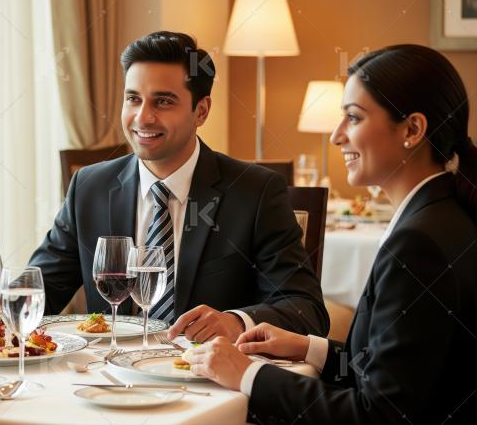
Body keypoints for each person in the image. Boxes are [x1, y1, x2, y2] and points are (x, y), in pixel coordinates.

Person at [0, 31, 330, 342]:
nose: (142, 117)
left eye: (163, 101)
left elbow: (306, 308)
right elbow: (44, 288)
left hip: (208, 387)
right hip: (103, 383)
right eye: (133, 99)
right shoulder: (89, 187)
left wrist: (236, 320)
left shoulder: (256, 192)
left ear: (201, 110)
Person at [188, 44, 477, 424]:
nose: (336, 136)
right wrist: (309, 348)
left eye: (353, 118)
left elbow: (378, 414)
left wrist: (247, 374)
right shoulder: (444, 217)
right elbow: (402, 374)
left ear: (412, 129)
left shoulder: (418, 244)